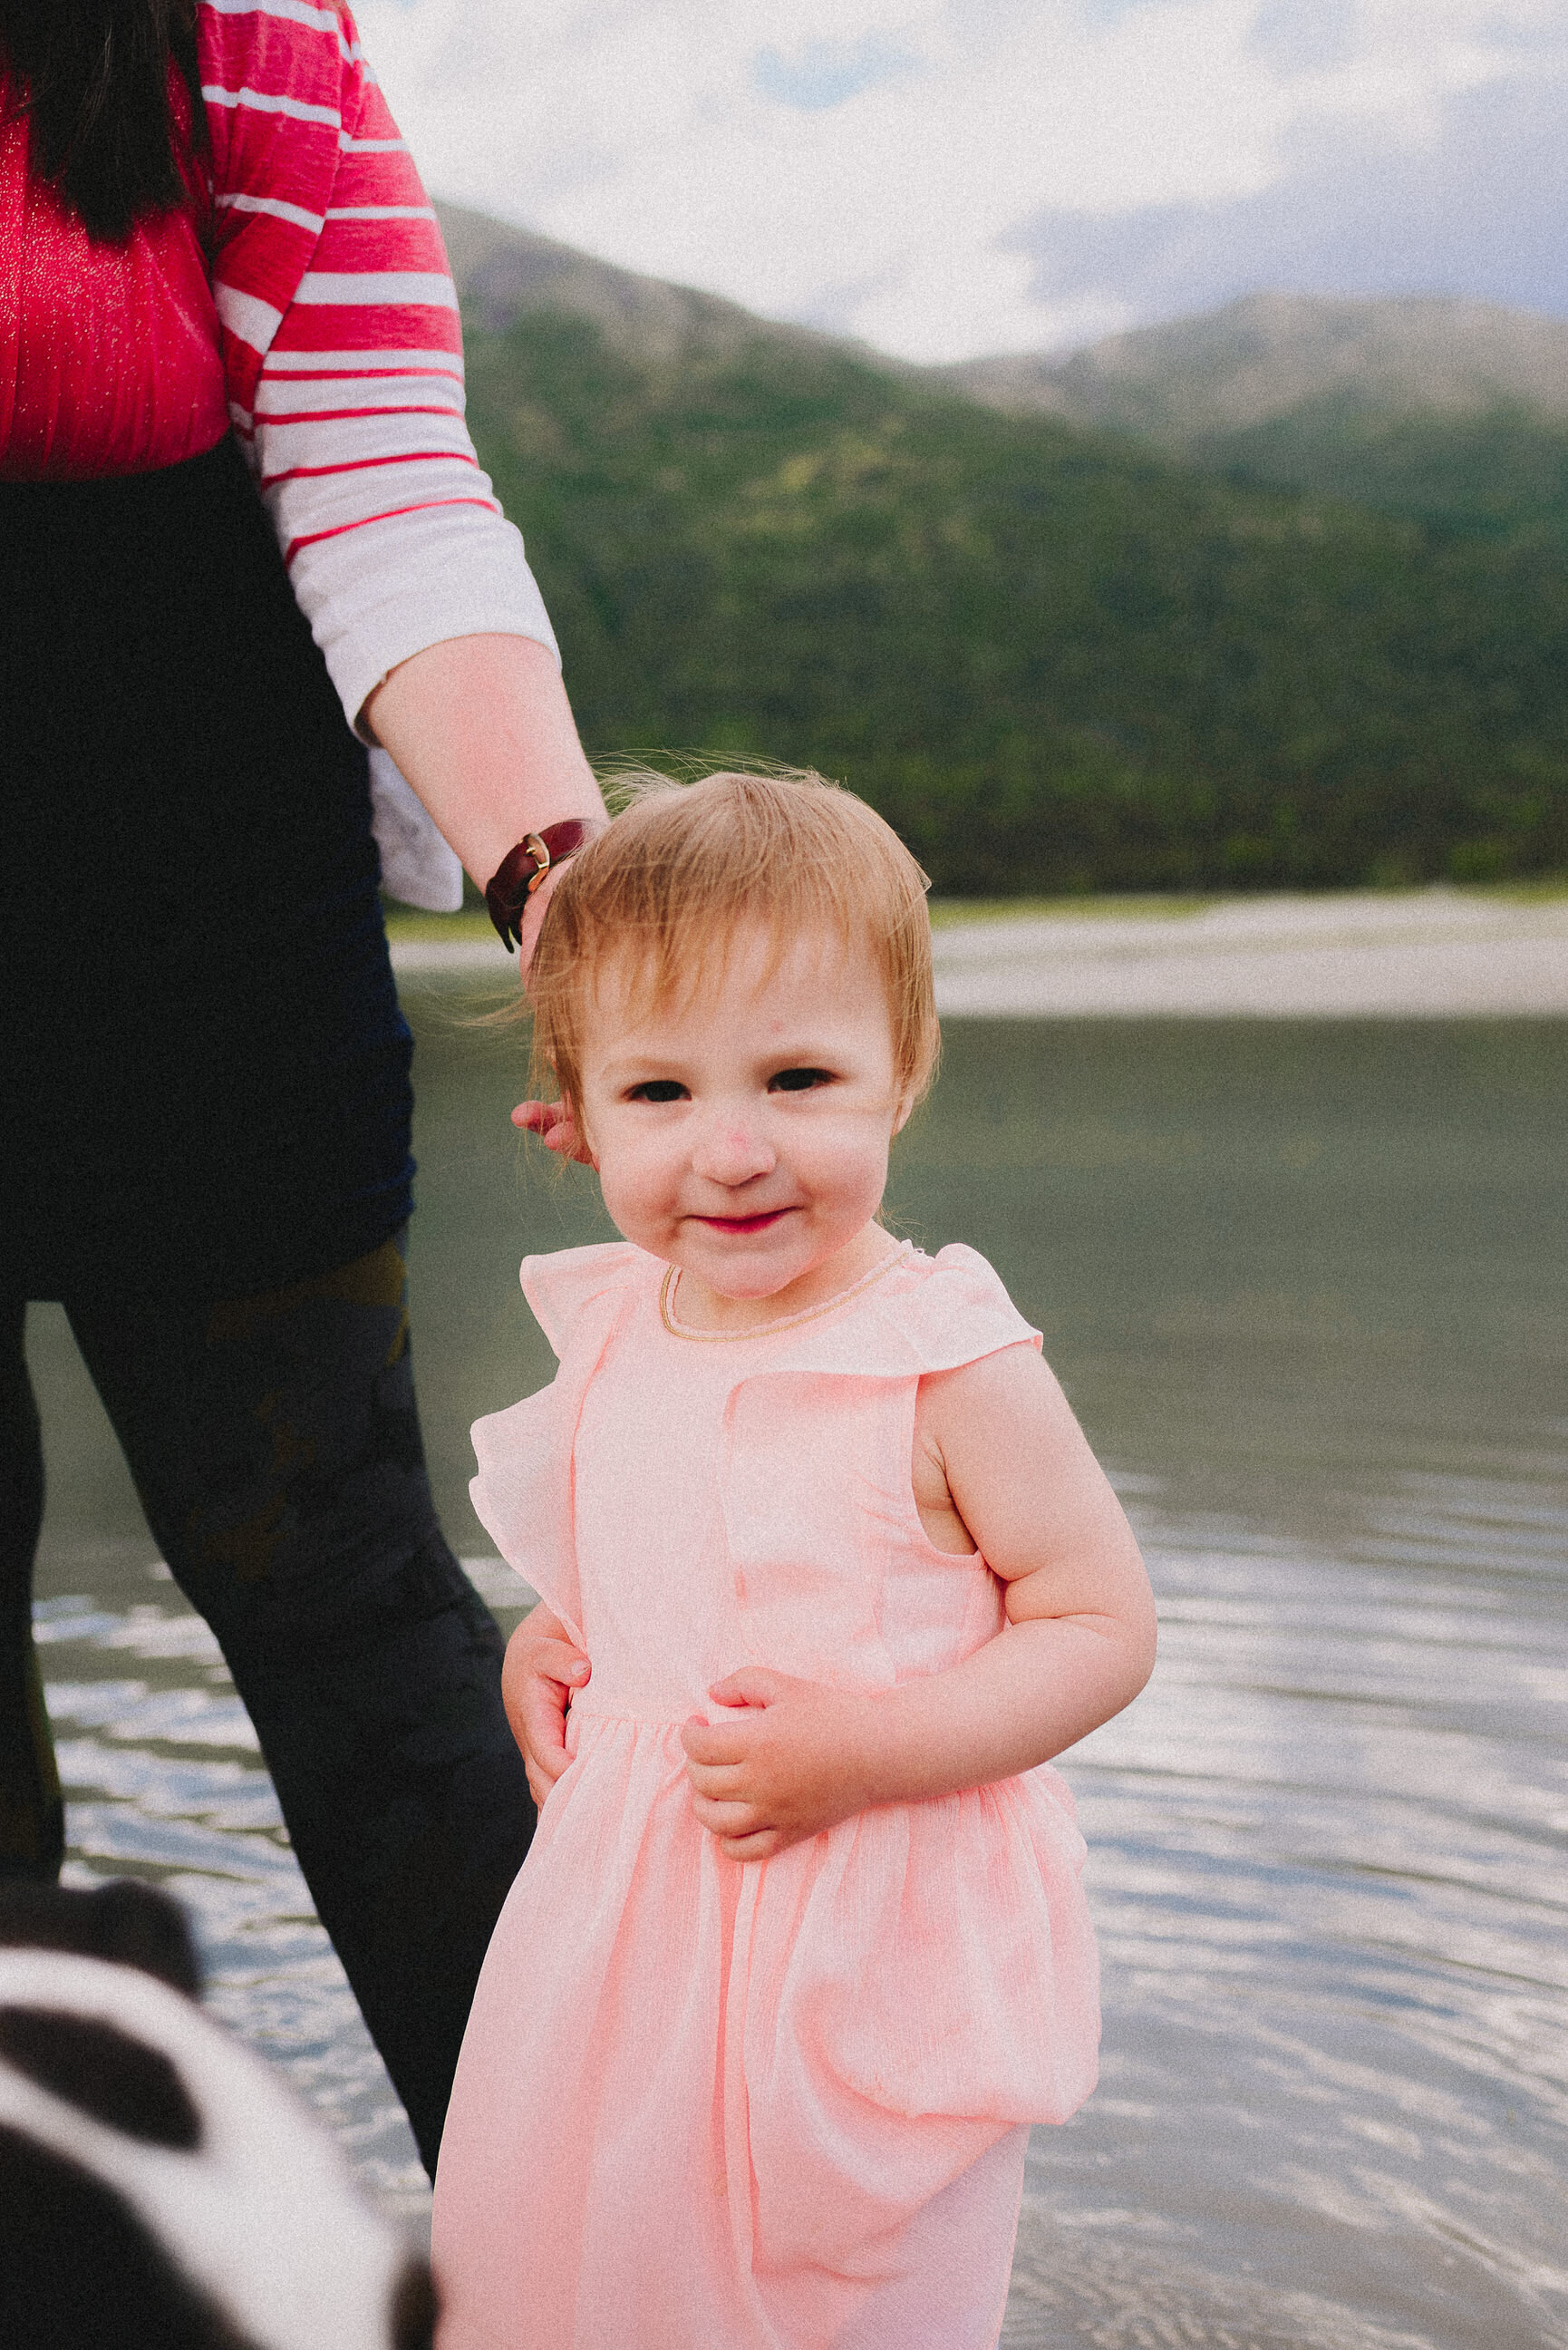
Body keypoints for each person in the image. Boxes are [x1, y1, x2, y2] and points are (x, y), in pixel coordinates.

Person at [0, 0, 606, 2175]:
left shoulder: (238, 41)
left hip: (195, 880)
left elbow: (377, 472)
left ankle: (588, 2266)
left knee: (345, 1588)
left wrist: (561, 879)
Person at [431, 772, 1159, 2349]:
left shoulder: (945, 1359)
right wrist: (560, 1634)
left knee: (838, 2292)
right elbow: (660, 1542)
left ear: (902, 1078)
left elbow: (1098, 1623)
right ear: (571, 1118)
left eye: (799, 1076)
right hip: (630, 1913)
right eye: (660, 1095)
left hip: (860, 1917)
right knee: (587, 2256)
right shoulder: (619, 1317)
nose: (734, 1149)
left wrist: (864, 1749)